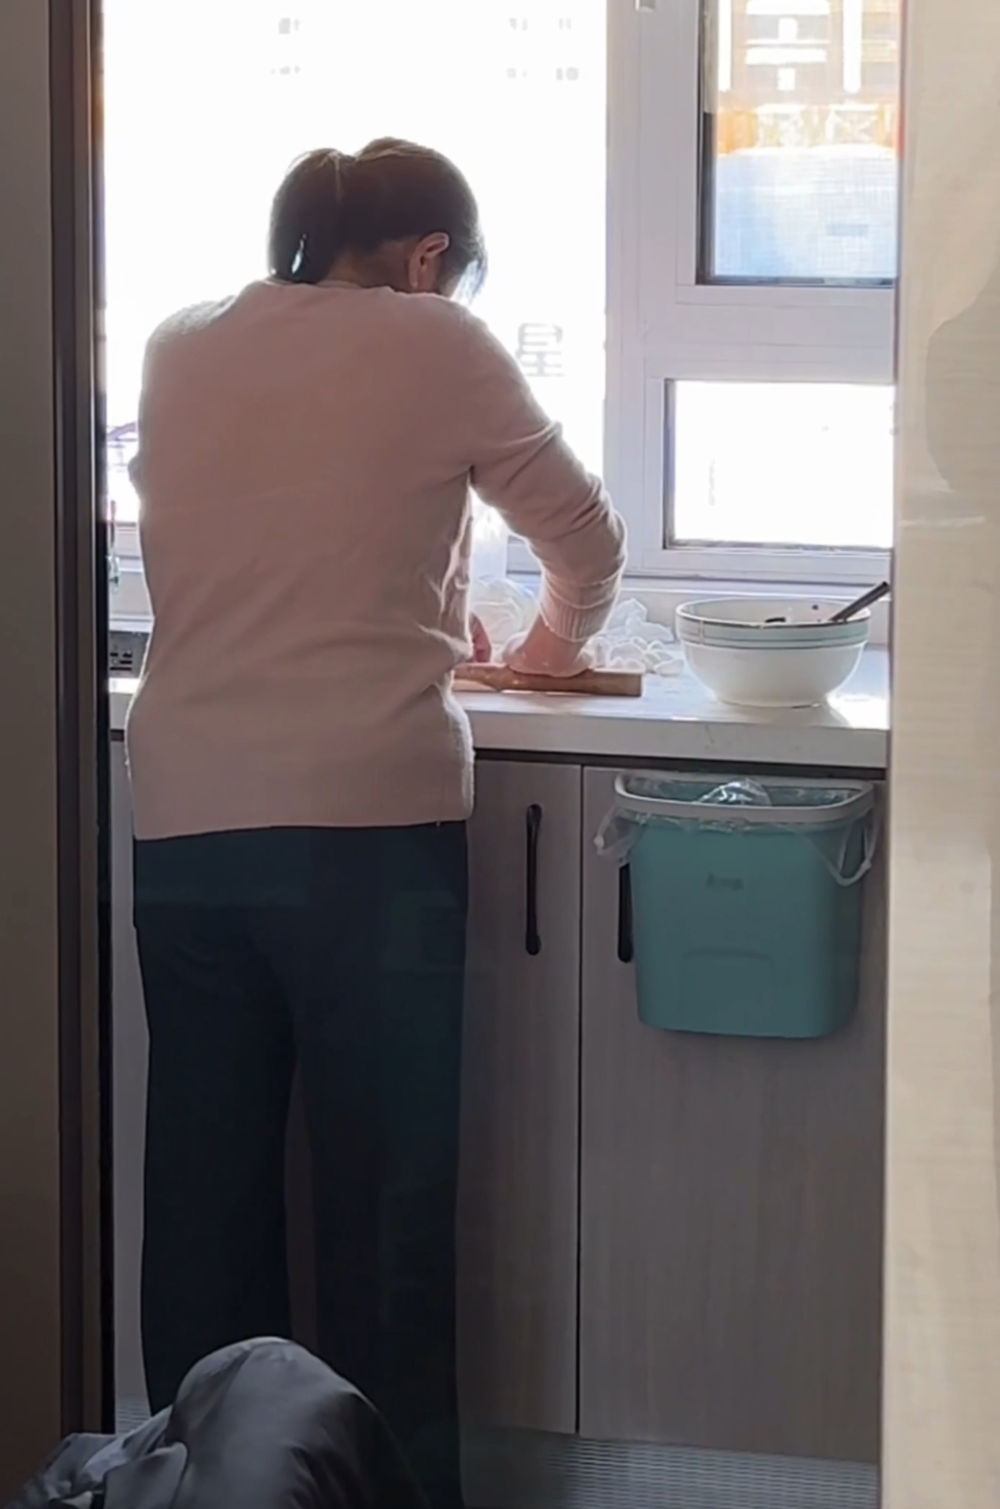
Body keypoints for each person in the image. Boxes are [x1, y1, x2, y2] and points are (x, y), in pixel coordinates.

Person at [126, 137, 625, 1508]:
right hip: (367, 822)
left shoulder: (179, 341)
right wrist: (549, 651)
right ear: (425, 258)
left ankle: (200, 1484)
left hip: (187, 813)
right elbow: (584, 540)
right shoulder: (433, 337)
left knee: (206, 1195)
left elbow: (277, 532)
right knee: (384, 1203)